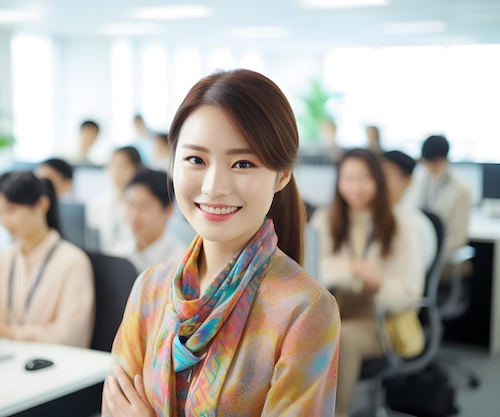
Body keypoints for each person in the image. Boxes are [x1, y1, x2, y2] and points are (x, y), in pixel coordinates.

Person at [102, 69, 340, 417]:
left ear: (282, 175)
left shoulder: (304, 309)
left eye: (243, 163)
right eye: (196, 160)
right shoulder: (151, 289)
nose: (214, 186)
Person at [309, 148, 425, 417]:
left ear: (379, 181)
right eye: (348, 178)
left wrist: (377, 284)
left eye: (365, 178)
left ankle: (337, 412)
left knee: (344, 338)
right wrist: (353, 269)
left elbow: (409, 293)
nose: (356, 187)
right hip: (333, 314)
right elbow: (311, 271)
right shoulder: (326, 220)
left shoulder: (401, 227)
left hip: (380, 321)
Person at [0, 171, 95, 348]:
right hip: (3, 359)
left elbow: (68, 336)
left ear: (41, 205)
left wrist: (6, 333)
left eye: (11, 210)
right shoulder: (5, 258)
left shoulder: (73, 261)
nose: (4, 220)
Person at [406, 135, 471, 266]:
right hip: (415, 250)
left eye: (434, 162)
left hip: (441, 256)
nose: (429, 167)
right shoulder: (418, 181)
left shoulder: (461, 190)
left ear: (444, 160)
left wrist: (427, 250)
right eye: (426, 162)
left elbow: (458, 238)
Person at [382, 150, 437, 272]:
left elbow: (411, 274)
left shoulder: (416, 225)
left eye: (388, 175)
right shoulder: (374, 218)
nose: (381, 181)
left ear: (408, 181)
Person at [123, 169, 185, 273]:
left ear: (169, 210)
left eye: (144, 206)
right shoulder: (118, 252)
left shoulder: (181, 262)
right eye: (131, 204)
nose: (134, 215)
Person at [86, 146, 141, 256]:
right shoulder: (96, 203)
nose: (117, 172)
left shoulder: (141, 205)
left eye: (123, 166)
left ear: (137, 169)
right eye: (114, 166)